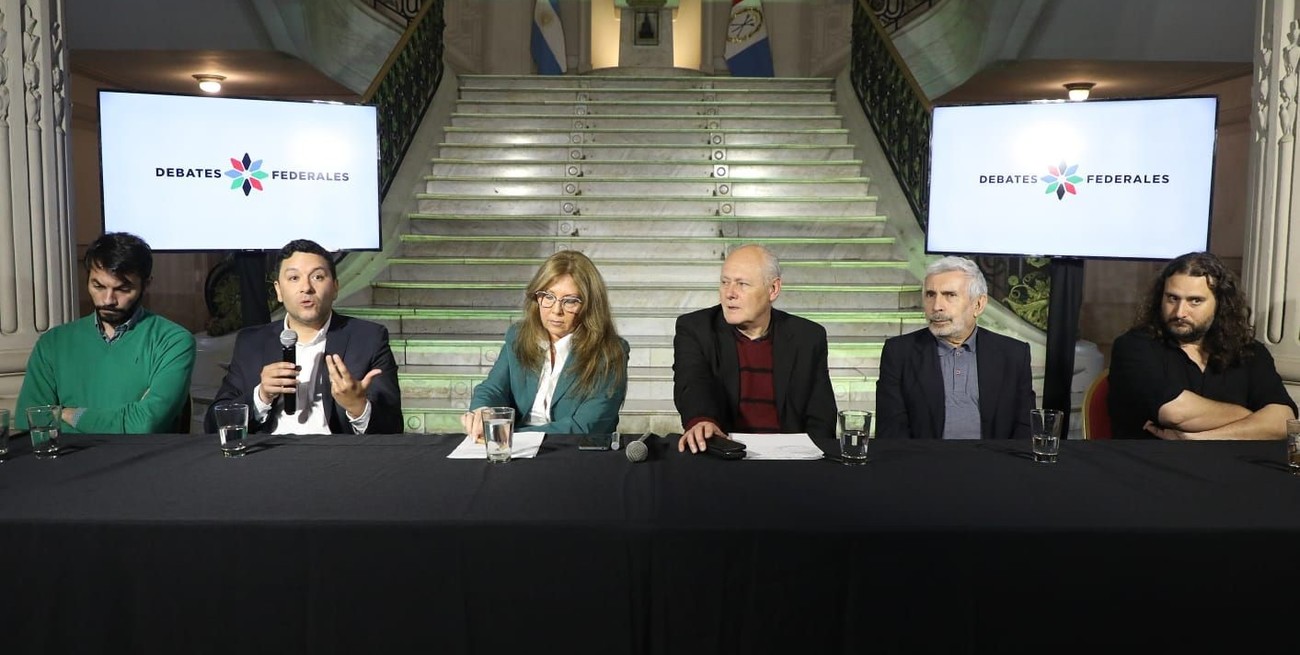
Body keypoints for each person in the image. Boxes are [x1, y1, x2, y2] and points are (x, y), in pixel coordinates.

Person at [204, 239, 402, 435]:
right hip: (270, 452)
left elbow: (393, 428)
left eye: (317, 277)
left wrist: (358, 407)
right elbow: (214, 424)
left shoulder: (369, 338)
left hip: (337, 451)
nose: (306, 287)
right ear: (278, 291)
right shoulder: (252, 342)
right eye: (294, 278)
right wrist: (261, 396)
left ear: (335, 287)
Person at [16, 232, 196, 433]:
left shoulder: (173, 341)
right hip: (69, 455)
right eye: (98, 286)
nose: (108, 299)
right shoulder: (52, 343)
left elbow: (145, 424)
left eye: (123, 289)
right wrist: (126, 420)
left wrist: (69, 414)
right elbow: (30, 424)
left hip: (143, 455)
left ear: (146, 285)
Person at [1109, 251, 1296, 439]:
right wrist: (1252, 418)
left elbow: (1283, 421)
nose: (1180, 312)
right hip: (1151, 456)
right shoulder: (1133, 346)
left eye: (1195, 301)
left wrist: (1201, 438)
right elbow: (1176, 413)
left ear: (1220, 304)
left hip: (1232, 457)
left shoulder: (1250, 352)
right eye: (1172, 298)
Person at [674, 244, 837, 453]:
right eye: (725, 282)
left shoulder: (807, 337)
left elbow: (821, 416)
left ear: (773, 289)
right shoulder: (696, 329)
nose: (729, 293)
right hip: (725, 455)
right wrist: (702, 420)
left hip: (791, 460)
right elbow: (692, 383)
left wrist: (815, 460)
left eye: (742, 284)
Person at [460, 250, 629, 438]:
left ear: (589, 306)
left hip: (569, 449)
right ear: (536, 297)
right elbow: (493, 388)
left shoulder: (610, 353)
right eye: (548, 297)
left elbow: (586, 427)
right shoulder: (518, 335)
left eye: (570, 301)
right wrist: (482, 411)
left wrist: (508, 433)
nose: (556, 310)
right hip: (512, 444)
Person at [875, 256, 1035, 440]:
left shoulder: (1014, 354)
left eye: (950, 295)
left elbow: (1025, 428)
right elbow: (891, 430)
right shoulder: (899, 353)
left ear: (978, 304)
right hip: (922, 457)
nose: (936, 306)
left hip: (993, 457)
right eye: (930, 295)